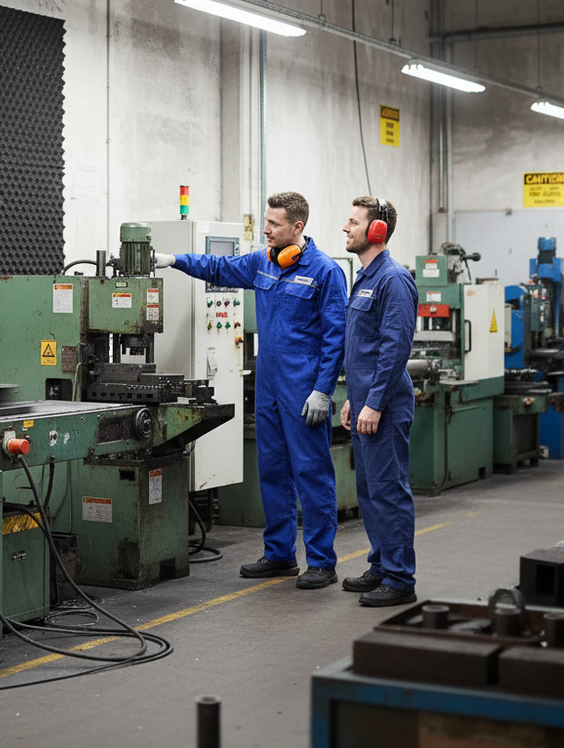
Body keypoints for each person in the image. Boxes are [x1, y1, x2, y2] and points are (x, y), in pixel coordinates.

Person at [156, 192, 347, 589]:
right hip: (269, 388)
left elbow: (336, 338)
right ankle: (279, 555)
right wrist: (175, 261)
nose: (265, 230)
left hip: (303, 391)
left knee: (312, 474)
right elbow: (219, 267)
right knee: (273, 471)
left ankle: (322, 562)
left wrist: (323, 390)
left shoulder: (325, 272)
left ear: (297, 227)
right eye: (266, 221)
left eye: (273, 224)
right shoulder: (264, 262)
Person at [339, 197, 419, 607]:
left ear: (376, 231)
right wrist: (355, 400)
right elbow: (362, 350)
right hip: (368, 405)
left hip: (384, 411)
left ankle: (401, 579)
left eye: (353, 222)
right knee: (370, 493)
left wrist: (373, 403)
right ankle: (382, 563)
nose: (345, 228)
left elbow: (394, 349)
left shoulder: (392, 280)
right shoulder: (365, 278)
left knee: (389, 492)